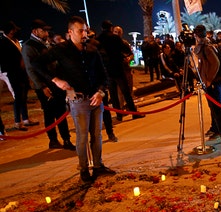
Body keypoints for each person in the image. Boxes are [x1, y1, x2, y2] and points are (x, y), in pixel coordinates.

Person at [34, 16, 116, 183]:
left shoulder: (92, 50)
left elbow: (104, 75)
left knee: (97, 135)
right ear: (70, 32)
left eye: (85, 30)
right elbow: (37, 64)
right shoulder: (60, 50)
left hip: (95, 99)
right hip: (78, 100)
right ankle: (84, 169)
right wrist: (55, 80)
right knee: (82, 136)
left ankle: (98, 166)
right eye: (80, 30)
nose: (84, 33)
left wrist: (101, 92)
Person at [21, 19, 76, 150]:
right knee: (49, 113)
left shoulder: (46, 43)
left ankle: (66, 139)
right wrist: (41, 86)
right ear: (35, 31)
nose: (46, 32)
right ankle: (53, 140)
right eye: (43, 30)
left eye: (46, 30)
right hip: (44, 85)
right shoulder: (29, 46)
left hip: (56, 82)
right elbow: (30, 69)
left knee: (61, 111)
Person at [97, 20, 144, 121]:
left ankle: (119, 115)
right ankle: (133, 112)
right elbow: (126, 50)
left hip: (106, 69)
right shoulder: (115, 38)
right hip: (117, 67)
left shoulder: (98, 39)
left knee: (113, 94)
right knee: (126, 92)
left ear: (102, 28)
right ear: (111, 28)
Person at [0, 21, 39, 131]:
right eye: (14, 29)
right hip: (13, 73)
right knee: (18, 97)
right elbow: (5, 60)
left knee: (23, 96)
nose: (16, 31)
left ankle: (26, 119)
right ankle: (17, 122)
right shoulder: (3, 42)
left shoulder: (15, 41)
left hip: (22, 72)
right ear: (10, 31)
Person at [193, 24, 221, 143]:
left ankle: (220, 131)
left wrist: (209, 79)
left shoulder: (207, 47)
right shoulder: (202, 46)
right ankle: (214, 127)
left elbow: (215, 63)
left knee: (217, 107)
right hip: (208, 82)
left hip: (213, 82)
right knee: (212, 107)